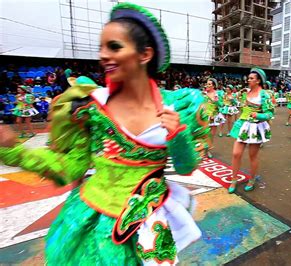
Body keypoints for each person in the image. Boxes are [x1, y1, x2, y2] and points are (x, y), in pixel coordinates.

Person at [0, 3, 209, 264]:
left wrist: (177, 135)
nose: (103, 56)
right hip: (90, 217)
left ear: (144, 54)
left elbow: (187, 167)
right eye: (101, 48)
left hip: (146, 222)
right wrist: (13, 152)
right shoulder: (92, 106)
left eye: (114, 47)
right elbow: (69, 168)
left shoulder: (179, 106)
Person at [228, 68, 274, 193]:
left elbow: (270, 113)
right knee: (236, 153)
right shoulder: (245, 93)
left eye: (251, 78)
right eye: (248, 78)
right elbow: (242, 107)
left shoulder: (264, 95)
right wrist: (233, 101)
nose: (248, 80)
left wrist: (259, 116)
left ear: (258, 81)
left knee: (252, 156)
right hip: (243, 125)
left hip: (256, 127)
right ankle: (233, 179)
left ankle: (252, 179)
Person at [203, 78, 225, 157]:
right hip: (204, 116)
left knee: (211, 135)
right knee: (203, 133)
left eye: (209, 84)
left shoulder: (217, 94)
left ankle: (208, 150)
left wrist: (217, 101)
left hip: (213, 116)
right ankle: (201, 149)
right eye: (207, 84)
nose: (207, 85)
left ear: (213, 86)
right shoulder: (203, 93)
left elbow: (222, 105)